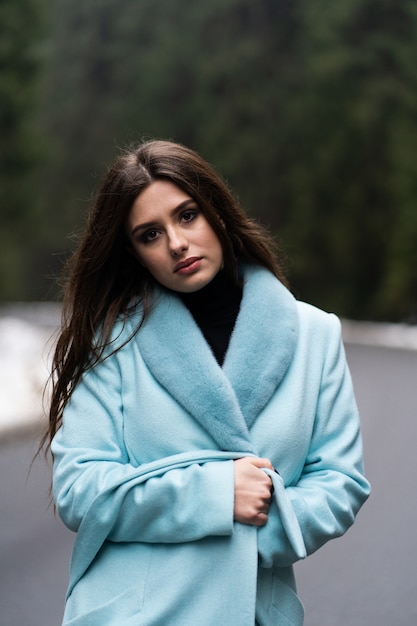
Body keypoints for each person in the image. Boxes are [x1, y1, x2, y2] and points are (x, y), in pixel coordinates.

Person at [45, 139, 370, 626]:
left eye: (188, 215)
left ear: (217, 213)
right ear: (134, 253)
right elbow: (79, 489)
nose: (176, 243)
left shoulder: (314, 335)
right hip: (132, 612)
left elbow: (340, 483)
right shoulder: (113, 345)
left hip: (254, 608)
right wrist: (214, 494)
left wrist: (251, 538)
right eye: (150, 234)